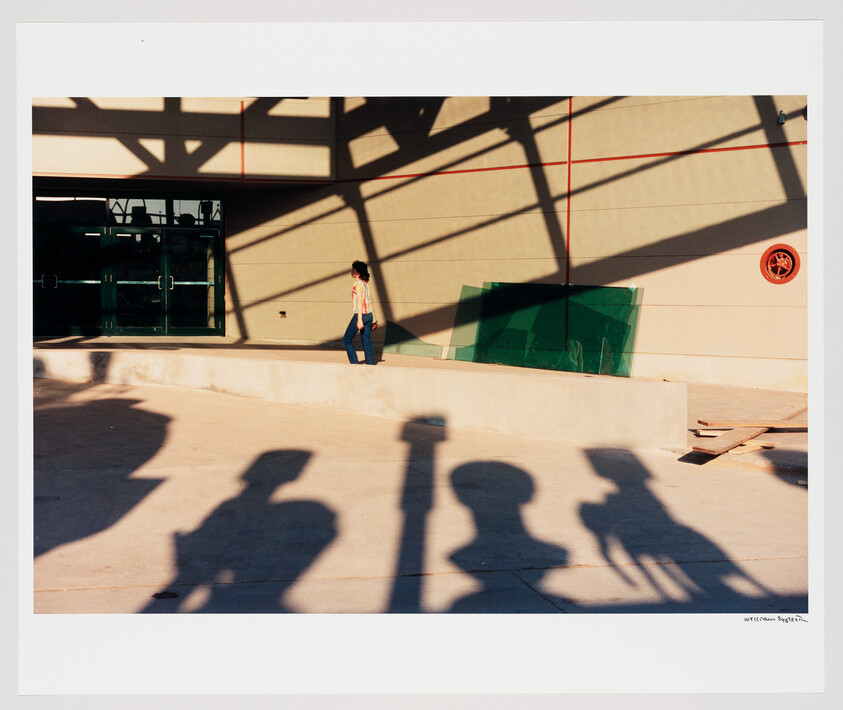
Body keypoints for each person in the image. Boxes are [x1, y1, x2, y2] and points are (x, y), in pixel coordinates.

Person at [342, 260, 376, 365]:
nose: (352, 271)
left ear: (358, 272)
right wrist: (374, 319)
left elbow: (360, 302)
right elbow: (370, 302)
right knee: (366, 342)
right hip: (369, 315)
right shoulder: (366, 284)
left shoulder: (357, 284)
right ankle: (370, 365)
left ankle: (355, 364)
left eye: (353, 270)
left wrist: (360, 320)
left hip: (361, 315)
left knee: (346, 339)